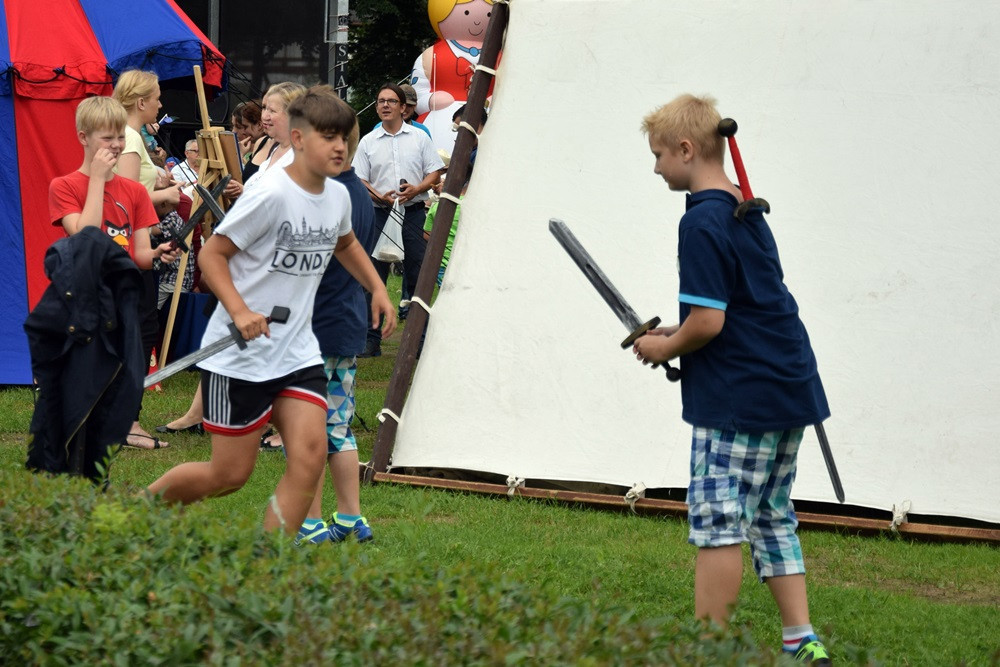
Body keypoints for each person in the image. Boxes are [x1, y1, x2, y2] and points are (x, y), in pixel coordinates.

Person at [631, 94, 831, 666]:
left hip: (738, 400)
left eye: (659, 155)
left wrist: (664, 345)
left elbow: (710, 323)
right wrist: (674, 330)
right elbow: (741, 308)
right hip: (789, 388)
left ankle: (709, 648)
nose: (655, 167)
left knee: (719, 521)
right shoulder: (746, 208)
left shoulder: (701, 221)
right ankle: (800, 639)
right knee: (770, 515)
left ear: (687, 149)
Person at [145, 85, 397, 537]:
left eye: (344, 138)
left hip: (297, 352)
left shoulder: (338, 195)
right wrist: (240, 311)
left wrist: (376, 286)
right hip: (239, 355)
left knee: (309, 453)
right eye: (328, 137)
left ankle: (268, 561)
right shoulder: (270, 194)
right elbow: (211, 256)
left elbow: (346, 243)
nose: (340, 147)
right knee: (228, 476)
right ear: (298, 140)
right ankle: (137, 510)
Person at [156, 84, 306, 438]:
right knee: (223, 327)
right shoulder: (267, 146)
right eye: (265, 109)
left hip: (275, 259)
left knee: (264, 336)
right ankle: (199, 413)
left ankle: (275, 417)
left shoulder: (301, 152)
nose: (266, 115)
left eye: (274, 109)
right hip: (247, 252)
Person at [295, 118, 381, 544]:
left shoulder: (331, 194)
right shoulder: (358, 190)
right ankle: (350, 517)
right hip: (345, 320)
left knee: (307, 430)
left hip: (318, 325)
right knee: (339, 427)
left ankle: (309, 524)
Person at [113, 69, 184, 449]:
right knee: (138, 333)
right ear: (141, 102)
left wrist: (156, 184)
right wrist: (167, 195)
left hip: (136, 245)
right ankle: (127, 422)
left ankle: (122, 418)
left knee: (136, 331)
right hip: (130, 250)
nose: (161, 104)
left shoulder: (131, 137)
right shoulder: (127, 136)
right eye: (157, 97)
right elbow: (124, 199)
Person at [354, 82, 444, 357]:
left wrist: (417, 189)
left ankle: (419, 340)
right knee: (373, 277)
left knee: (419, 275)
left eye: (390, 101)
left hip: (413, 212)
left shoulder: (419, 138)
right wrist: (377, 195)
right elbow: (358, 177)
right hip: (379, 214)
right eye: (381, 101)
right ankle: (371, 339)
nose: (384, 105)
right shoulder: (368, 141)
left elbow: (435, 172)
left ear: (403, 108)